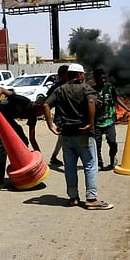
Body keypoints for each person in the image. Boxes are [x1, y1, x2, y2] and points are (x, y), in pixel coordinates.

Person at [43, 63, 114, 210]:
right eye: (83, 74)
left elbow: (45, 105)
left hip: (66, 135)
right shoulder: (85, 88)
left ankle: (73, 198)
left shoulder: (60, 90)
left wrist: (51, 125)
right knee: (90, 165)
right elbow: (89, 101)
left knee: (70, 167)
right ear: (79, 75)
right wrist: (89, 123)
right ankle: (91, 199)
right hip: (84, 134)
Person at [0, 86, 49, 189]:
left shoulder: (33, 116)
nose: (42, 114)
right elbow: (0, 89)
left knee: (23, 140)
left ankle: (20, 166)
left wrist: (39, 159)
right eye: (42, 111)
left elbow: (32, 138)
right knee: (2, 146)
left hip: (8, 119)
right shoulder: (22, 101)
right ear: (37, 106)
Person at [92, 68, 130, 170]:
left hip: (109, 121)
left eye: (104, 78)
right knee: (96, 145)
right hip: (97, 122)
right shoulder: (92, 90)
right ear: (95, 79)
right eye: (100, 78)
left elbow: (116, 98)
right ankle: (99, 163)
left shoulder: (109, 87)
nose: (103, 80)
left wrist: (126, 108)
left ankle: (113, 158)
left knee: (112, 142)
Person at [46, 65, 70, 166]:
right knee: (64, 139)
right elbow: (47, 102)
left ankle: (54, 157)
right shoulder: (56, 87)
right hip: (61, 118)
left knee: (62, 139)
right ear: (64, 75)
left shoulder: (71, 85)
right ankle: (68, 162)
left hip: (70, 117)